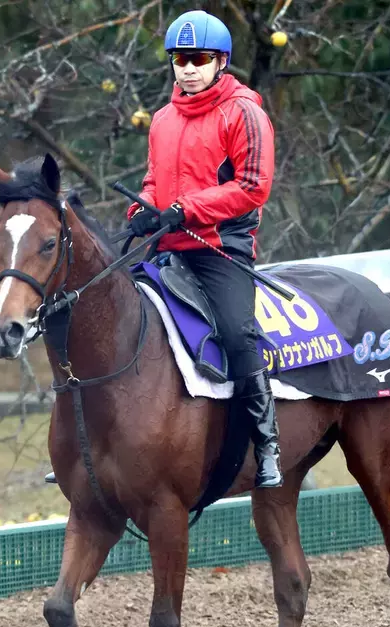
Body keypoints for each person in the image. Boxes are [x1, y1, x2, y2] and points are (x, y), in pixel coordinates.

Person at [128, 9, 282, 488]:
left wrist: (186, 209)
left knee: (237, 335)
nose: (189, 69)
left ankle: (267, 444)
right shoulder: (161, 120)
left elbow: (253, 186)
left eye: (199, 59)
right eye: (180, 59)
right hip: (167, 246)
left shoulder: (246, 113)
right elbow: (154, 180)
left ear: (221, 62)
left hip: (219, 249)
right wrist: (142, 210)